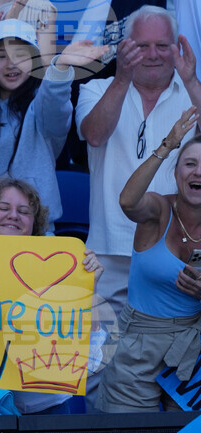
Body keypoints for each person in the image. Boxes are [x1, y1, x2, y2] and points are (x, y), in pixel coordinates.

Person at [75, 6, 201, 345]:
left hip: (173, 250)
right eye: (141, 46)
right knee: (99, 358)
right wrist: (122, 77)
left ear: (178, 47)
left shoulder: (194, 92)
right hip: (108, 249)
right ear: (125, 46)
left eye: (163, 46)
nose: (153, 55)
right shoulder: (96, 89)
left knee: (170, 355)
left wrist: (189, 80)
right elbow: (96, 134)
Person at [0, 20, 106, 234]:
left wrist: (60, 67)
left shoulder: (42, 107)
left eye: (21, 55)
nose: (11, 64)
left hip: (32, 238)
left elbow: (55, 104)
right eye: (0, 56)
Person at [0, 177, 102, 414]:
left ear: (34, 225)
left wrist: (88, 290)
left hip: (45, 407)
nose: (13, 215)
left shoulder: (60, 269)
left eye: (24, 211)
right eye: (3, 208)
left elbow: (91, 358)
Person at [100, 107, 201, 413]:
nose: (198, 172)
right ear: (176, 173)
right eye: (190, 164)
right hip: (137, 345)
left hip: (194, 350)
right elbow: (127, 201)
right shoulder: (158, 210)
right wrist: (167, 145)